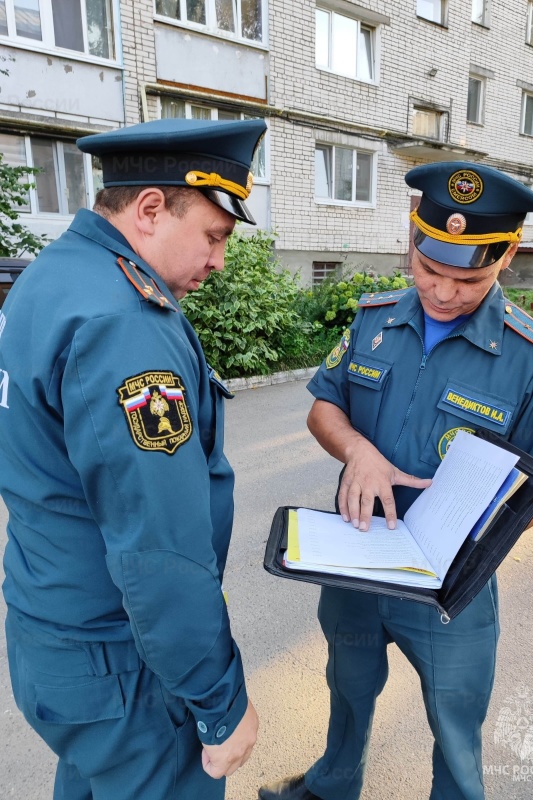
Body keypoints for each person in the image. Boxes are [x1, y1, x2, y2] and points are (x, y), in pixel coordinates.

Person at [259, 162, 533, 800]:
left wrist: (467, 518)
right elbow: (324, 407)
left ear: (507, 255)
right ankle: (332, 786)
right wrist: (360, 453)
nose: (441, 292)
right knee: (347, 686)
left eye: (467, 279)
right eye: (429, 269)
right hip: (355, 557)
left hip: (447, 582)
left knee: (454, 721)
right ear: (412, 239)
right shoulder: (375, 319)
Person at [0, 117, 266, 799]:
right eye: (214, 236)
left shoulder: (52, 278)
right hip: (124, 667)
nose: (218, 262)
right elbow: (158, 547)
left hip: (55, 640)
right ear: (150, 209)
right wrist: (220, 702)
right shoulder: (124, 324)